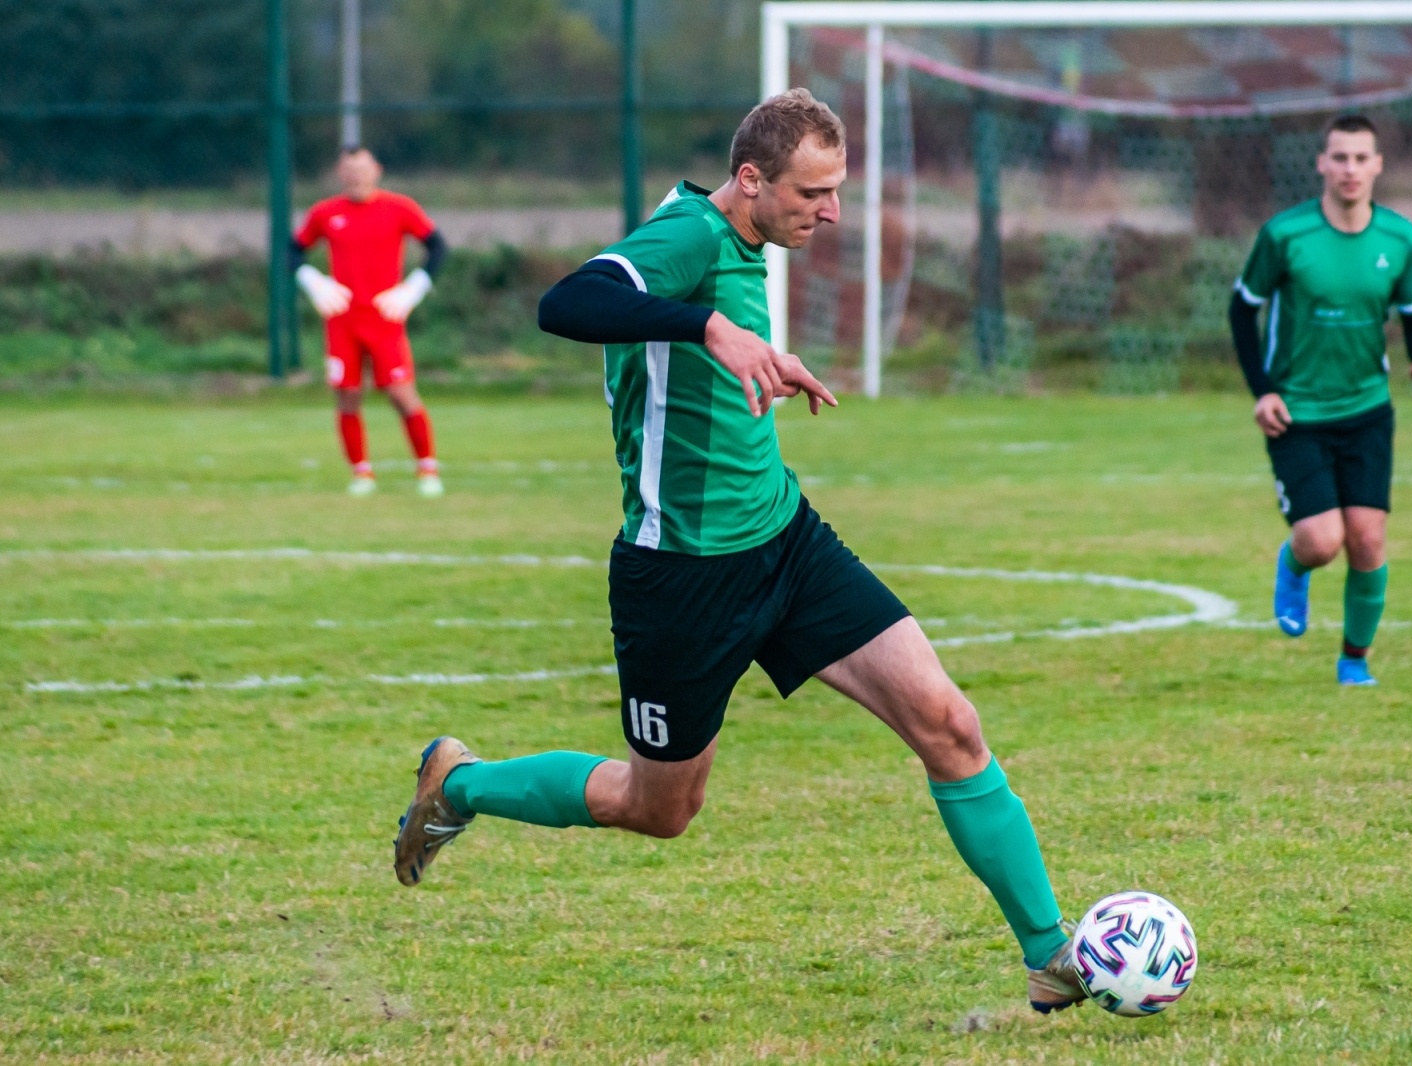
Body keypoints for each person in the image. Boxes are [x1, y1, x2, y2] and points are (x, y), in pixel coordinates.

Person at [392, 90, 1090, 1014]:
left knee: (948, 723)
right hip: (682, 576)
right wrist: (712, 327)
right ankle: (462, 784)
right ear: (752, 179)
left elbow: (704, 361)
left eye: (836, 191)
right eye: (813, 192)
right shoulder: (687, 235)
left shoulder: (748, 236)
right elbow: (568, 304)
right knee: (660, 808)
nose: (830, 213)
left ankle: (1051, 956)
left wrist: (759, 353)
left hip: (785, 542)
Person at [1229, 114, 1412, 686]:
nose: (1350, 169)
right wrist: (1263, 390)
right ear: (1322, 163)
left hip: (1367, 409)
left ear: (1378, 166)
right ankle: (1294, 563)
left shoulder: (1400, 238)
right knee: (1323, 542)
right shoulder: (1284, 235)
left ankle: (1354, 660)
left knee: (1367, 539)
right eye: (1339, 157)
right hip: (1296, 412)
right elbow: (1242, 310)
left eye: (1360, 158)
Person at [292, 147, 448, 497]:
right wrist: (312, 280)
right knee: (347, 394)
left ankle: (427, 467)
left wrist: (413, 288)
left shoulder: (399, 208)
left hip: (384, 317)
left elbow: (438, 248)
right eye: (349, 169)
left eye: (362, 168)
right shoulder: (325, 213)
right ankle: (361, 473)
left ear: (376, 170)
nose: (356, 176)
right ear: (340, 173)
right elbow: (292, 249)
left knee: (400, 392)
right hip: (342, 320)